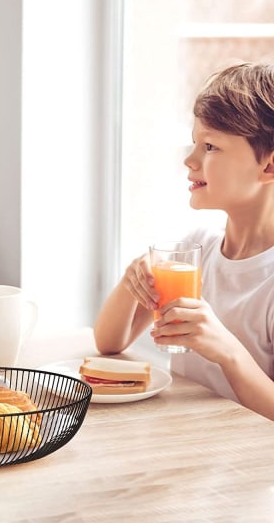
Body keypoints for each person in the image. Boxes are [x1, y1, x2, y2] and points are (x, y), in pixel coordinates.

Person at [94, 62, 274, 421]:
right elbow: (109, 343)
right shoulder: (197, 250)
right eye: (195, 142)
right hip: (188, 446)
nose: (189, 160)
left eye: (210, 146)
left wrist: (228, 351)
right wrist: (131, 285)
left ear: (268, 166)